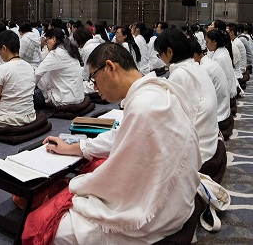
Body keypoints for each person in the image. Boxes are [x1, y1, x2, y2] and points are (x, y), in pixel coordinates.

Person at [27, 43, 200, 245]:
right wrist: (71, 148)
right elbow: (117, 137)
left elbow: (118, 176)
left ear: (110, 67)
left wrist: (78, 186)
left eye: (94, 78)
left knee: (54, 228)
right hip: (179, 199)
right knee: (93, 165)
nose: (94, 87)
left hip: (159, 215)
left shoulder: (143, 106)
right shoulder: (155, 90)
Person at [153, 30, 219, 164]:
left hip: (199, 149)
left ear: (169, 52)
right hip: (210, 140)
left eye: (159, 55)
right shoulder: (196, 66)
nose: (161, 59)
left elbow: (174, 119)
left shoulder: (180, 73)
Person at [34, 28, 86, 110]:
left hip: (65, 99)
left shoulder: (55, 54)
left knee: (42, 76)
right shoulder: (70, 51)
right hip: (79, 96)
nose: (46, 44)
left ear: (54, 39)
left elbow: (37, 74)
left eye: (47, 41)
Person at [194, 40, 233, 130]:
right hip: (225, 111)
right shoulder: (209, 61)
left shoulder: (204, 68)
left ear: (194, 54)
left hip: (219, 117)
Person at [205, 29, 237, 94]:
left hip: (227, 95)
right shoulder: (223, 51)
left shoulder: (219, 58)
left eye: (207, 42)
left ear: (215, 42)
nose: (206, 44)